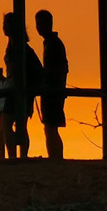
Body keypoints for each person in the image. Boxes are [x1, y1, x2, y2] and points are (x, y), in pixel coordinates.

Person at [0, 12, 43, 159]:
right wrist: (4, 79)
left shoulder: (21, 49)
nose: (3, 27)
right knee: (19, 126)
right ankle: (21, 156)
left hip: (17, 92)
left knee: (7, 126)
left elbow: (27, 72)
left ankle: (14, 157)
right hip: (17, 90)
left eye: (6, 24)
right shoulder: (18, 47)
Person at [35, 10, 69, 160]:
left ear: (49, 24)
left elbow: (57, 70)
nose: (38, 27)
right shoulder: (52, 43)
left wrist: (48, 81)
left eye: (40, 23)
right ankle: (55, 157)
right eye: (37, 23)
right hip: (53, 89)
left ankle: (55, 157)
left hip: (52, 91)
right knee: (50, 127)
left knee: (50, 126)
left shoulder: (53, 44)